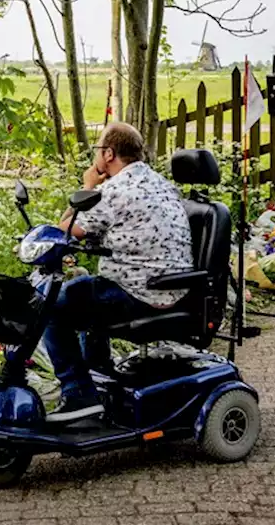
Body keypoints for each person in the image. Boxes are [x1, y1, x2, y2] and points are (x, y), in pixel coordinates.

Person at [44, 122, 193, 422]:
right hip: (172, 287)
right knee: (87, 291)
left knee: (52, 305)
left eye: (98, 150)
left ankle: (78, 395)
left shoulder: (113, 191)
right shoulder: (162, 185)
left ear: (109, 153)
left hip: (138, 292)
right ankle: (99, 375)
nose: (96, 156)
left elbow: (64, 231)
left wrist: (87, 185)